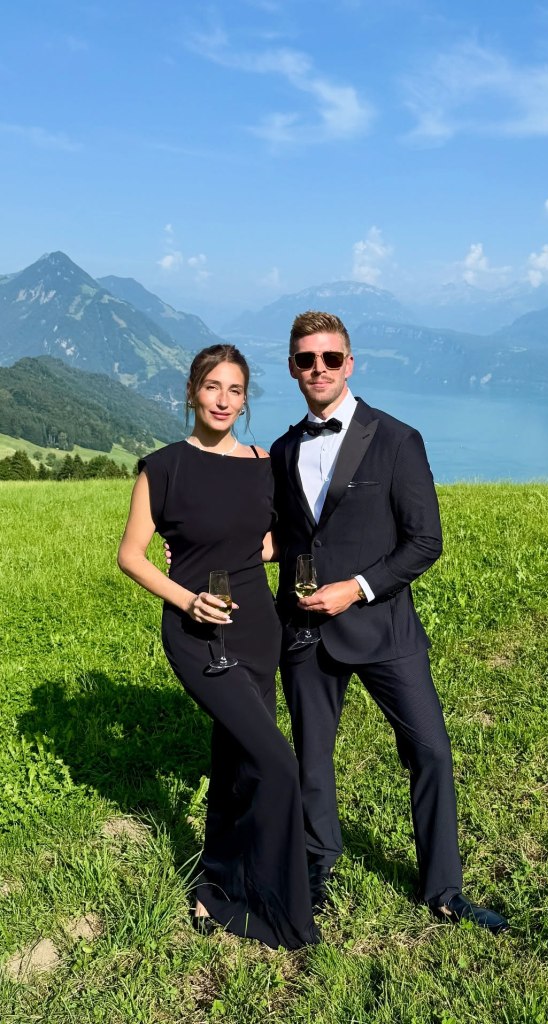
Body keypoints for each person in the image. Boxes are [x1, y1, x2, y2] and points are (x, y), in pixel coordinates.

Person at [270, 311, 509, 933]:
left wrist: (357, 588)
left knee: (431, 751)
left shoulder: (398, 439)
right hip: (305, 630)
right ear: (292, 368)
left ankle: (444, 890)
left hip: (384, 627)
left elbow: (425, 541)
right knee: (311, 759)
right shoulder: (284, 448)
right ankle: (317, 870)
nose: (318, 368)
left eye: (329, 358)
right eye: (306, 359)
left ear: (349, 364)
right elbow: (286, 535)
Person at [118, 344, 318, 949]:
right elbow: (131, 556)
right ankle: (279, 908)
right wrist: (187, 598)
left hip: (258, 629)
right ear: (192, 392)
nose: (223, 400)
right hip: (196, 633)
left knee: (237, 763)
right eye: (212, 387)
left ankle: (215, 888)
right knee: (277, 764)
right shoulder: (163, 468)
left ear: (245, 399)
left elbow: (280, 539)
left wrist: (254, 550)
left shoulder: (263, 465)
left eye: (235, 390)